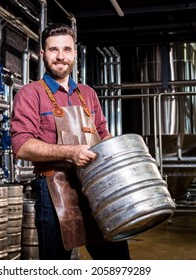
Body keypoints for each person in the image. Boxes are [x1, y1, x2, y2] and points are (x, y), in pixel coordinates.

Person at [11, 23, 130, 260]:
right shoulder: (30, 93)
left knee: (117, 259)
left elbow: (102, 133)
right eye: (53, 50)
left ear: (74, 54)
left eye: (66, 49)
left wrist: (118, 151)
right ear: (43, 55)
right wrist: (70, 152)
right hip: (54, 190)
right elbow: (22, 145)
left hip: (96, 188)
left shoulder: (88, 94)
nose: (60, 56)